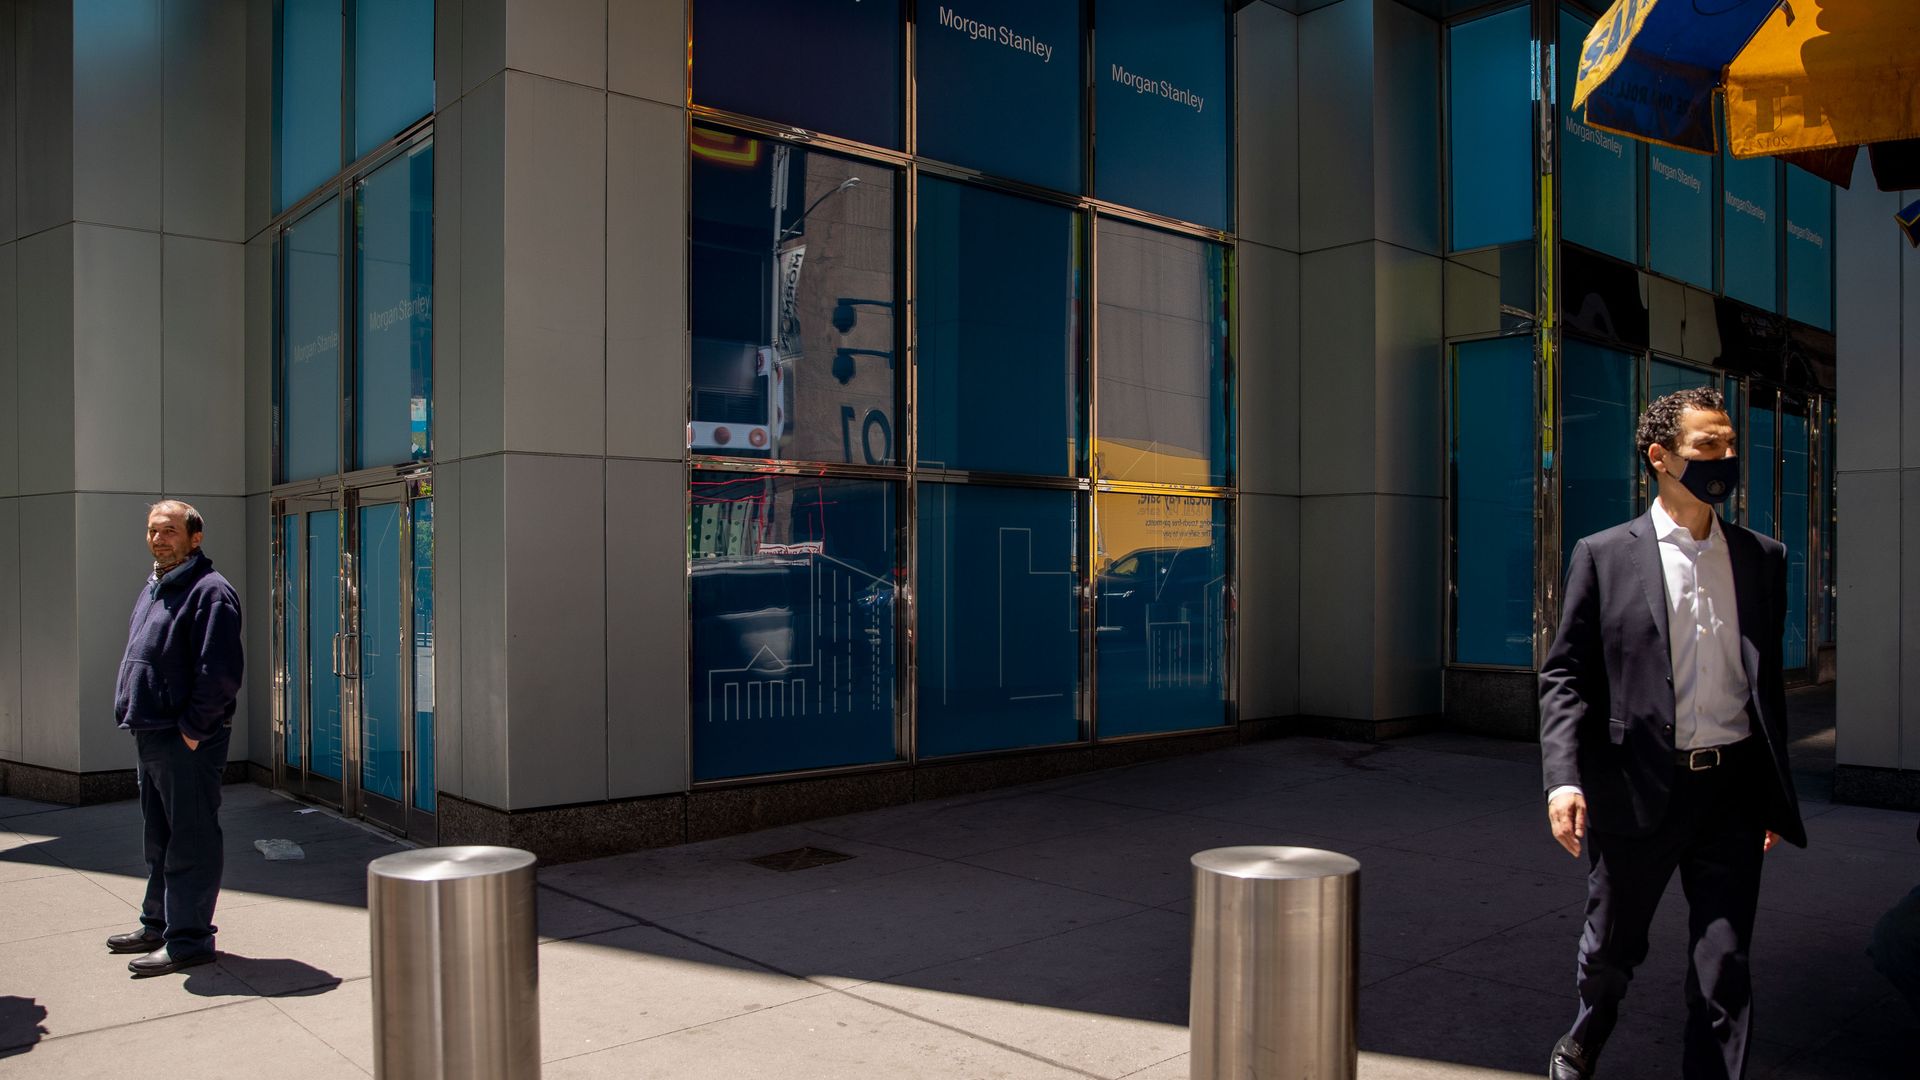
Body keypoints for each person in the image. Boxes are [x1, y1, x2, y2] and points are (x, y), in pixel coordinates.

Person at [1540, 387, 1805, 1079]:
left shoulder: (1762, 557)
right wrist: (1564, 779)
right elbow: (1564, 675)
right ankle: (1589, 1029)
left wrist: (1771, 794)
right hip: (1636, 791)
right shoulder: (1603, 555)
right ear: (1660, 457)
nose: (1725, 459)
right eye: (1707, 446)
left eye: (1728, 444)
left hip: (1732, 794)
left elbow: (1765, 682)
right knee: (1612, 951)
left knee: (1725, 966)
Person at [106, 500, 244, 977]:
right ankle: (159, 922)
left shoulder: (210, 592)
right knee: (159, 837)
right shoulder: (157, 587)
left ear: (194, 537)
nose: (158, 539)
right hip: (152, 733)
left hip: (185, 739)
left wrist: (192, 731)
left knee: (193, 839)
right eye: (152, 531)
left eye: (168, 531)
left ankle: (189, 940)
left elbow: (220, 674)